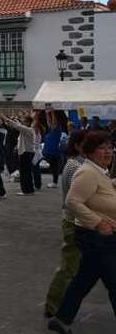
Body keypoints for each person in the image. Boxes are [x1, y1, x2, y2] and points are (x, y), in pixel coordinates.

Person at [48, 131, 116, 333]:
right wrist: (98, 223)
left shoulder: (99, 171)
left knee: (84, 280)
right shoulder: (87, 172)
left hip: (99, 237)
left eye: (110, 147)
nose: (108, 151)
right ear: (90, 151)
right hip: (96, 237)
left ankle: (61, 319)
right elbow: (72, 201)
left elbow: (99, 193)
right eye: (102, 148)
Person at [44, 129, 87, 318]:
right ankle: (53, 305)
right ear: (78, 146)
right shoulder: (75, 167)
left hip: (79, 221)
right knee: (69, 266)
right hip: (75, 222)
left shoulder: (80, 164)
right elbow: (76, 199)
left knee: (75, 266)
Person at [4, 111, 40, 196]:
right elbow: (18, 124)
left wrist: (5, 118)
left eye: (24, 121)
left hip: (26, 153)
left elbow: (17, 125)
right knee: (27, 172)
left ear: (28, 122)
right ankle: (29, 190)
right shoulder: (27, 129)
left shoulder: (28, 130)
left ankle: (26, 190)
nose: (22, 122)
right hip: (27, 152)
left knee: (24, 173)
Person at [44, 108, 65, 189]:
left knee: (54, 167)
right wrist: (47, 113)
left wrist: (52, 112)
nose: (51, 124)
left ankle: (55, 182)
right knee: (53, 166)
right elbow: (49, 122)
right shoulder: (51, 130)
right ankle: (54, 182)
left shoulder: (56, 130)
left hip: (54, 152)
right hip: (49, 152)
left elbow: (53, 121)